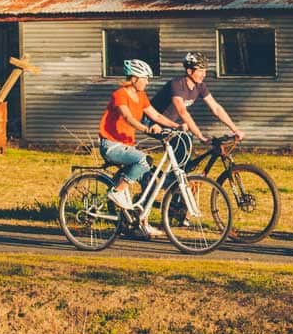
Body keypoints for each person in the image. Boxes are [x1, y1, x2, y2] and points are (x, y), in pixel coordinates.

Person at [98, 59, 181, 237]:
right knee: (142, 159)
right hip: (111, 145)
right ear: (134, 78)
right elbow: (127, 117)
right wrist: (146, 129)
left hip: (126, 146)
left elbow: (156, 115)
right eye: (145, 78)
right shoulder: (119, 94)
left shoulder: (141, 96)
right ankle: (116, 191)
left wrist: (176, 126)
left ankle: (140, 223)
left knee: (148, 178)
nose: (147, 82)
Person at [148, 52, 245, 152]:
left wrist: (235, 130)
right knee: (184, 141)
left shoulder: (200, 86)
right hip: (152, 121)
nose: (204, 75)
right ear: (189, 71)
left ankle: (179, 167)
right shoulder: (177, 85)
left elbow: (216, 108)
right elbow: (182, 112)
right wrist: (200, 136)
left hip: (168, 123)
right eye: (200, 71)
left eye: (205, 71)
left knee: (185, 145)